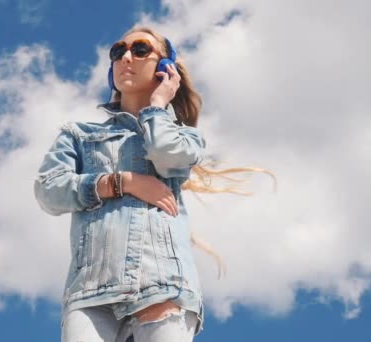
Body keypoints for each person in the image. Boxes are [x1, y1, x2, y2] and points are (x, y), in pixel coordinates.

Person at [34, 25, 276, 342]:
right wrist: (122, 182)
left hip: (162, 288)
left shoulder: (184, 137)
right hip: (90, 292)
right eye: (118, 52)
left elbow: (167, 155)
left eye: (140, 49)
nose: (126, 57)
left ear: (165, 68)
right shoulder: (78, 135)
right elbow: (48, 191)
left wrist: (158, 105)